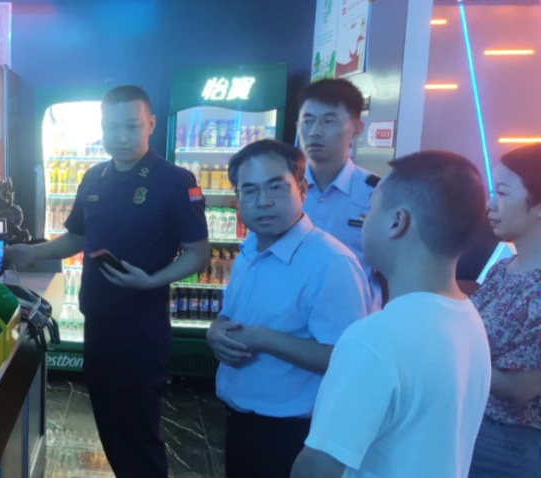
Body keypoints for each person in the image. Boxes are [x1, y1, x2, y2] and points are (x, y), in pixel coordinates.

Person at [6, 85, 210, 478]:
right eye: (111, 128)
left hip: (142, 326)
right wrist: (31, 252)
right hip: (97, 321)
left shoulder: (174, 180)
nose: (121, 137)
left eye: (132, 127)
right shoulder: (93, 178)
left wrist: (152, 281)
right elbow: (77, 239)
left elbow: (198, 253)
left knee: (139, 428)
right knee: (109, 422)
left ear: (151, 124)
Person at [292, 151, 492, 478]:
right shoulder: (468, 318)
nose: (364, 220)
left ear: (398, 222)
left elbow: (317, 468)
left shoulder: (374, 339)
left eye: (370, 209)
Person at [205, 139, 372, 478]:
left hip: (294, 437)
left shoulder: (330, 262)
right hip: (240, 423)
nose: (263, 201)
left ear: (302, 189)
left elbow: (346, 359)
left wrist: (262, 339)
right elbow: (233, 314)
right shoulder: (250, 248)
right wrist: (216, 329)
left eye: (275, 187)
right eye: (249, 191)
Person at [468, 144, 541, 478]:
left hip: (512, 447)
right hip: (474, 426)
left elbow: (520, 388)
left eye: (502, 193)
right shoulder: (503, 269)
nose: (489, 204)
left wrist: (452, 354)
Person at [298, 79, 384, 308]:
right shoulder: (282, 190)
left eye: (329, 121)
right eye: (308, 121)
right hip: (290, 321)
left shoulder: (378, 194)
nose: (315, 132)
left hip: (354, 320)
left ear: (356, 128)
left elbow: (395, 269)